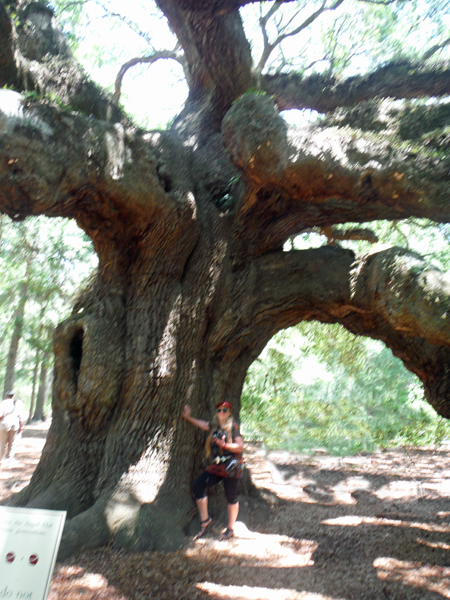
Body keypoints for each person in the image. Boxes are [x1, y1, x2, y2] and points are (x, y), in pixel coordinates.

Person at [182, 400, 244, 540]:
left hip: (231, 467)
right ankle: (205, 520)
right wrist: (188, 417)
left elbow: (240, 447)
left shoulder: (233, 427)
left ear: (229, 413)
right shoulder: (215, 425)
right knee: (198, 484)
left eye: (225, 410)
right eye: (219, 410)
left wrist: (225, 445)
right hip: (217, 466)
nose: (221, 413)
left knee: (231, 497)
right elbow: (204, 425)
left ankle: (230, 529)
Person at [0, 390, 25, 466]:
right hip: (15, 423)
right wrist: (21, 426)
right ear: (14, 395)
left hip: (4, 424)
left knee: (2, 443)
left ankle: (1, 460)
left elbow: (0, 415)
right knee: (12, 443)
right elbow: (21, 417)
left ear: (7, 396)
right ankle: (10, 460)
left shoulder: (3, 403)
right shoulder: (19, 403)